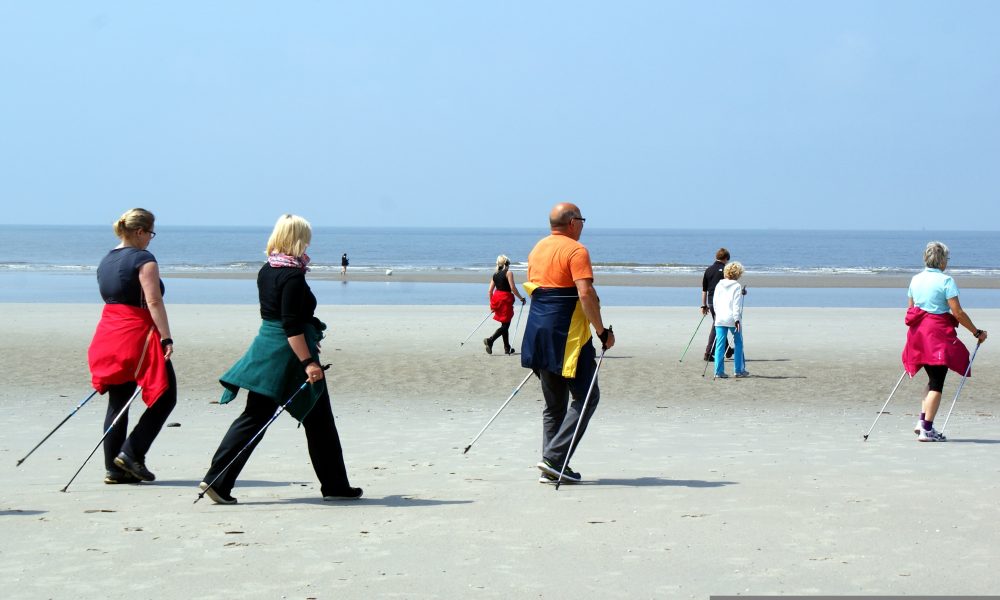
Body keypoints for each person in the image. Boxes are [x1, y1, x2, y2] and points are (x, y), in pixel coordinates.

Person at [199, 214, 361, 504]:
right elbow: (290, 325)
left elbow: (285, 318)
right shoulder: (292, 276)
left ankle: (335, 485)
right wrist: (308, 362)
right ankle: (217, 480)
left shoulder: (268, 269)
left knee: (297, 418)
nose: (309, 242)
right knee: (267, 418)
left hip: (268, 348)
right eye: (306, 237)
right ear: (297, 238)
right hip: (285, 356)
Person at [521, 202, 615, 484]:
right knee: (587, 396)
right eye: (582, 219)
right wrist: (601, 332)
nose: (584, 225)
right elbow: (584, 294)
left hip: (538, 332)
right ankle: (555, 459)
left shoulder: (538, 248)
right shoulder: (576, 250)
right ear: (573, 222)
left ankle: (551, 465)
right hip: (567, 335)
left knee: (554, 405)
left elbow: (549, 287)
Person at [88, 208, 177, 484]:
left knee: (119, 401)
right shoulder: (143, 259)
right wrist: (166, 337)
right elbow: (153, 301)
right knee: (166, 395)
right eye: (150, 233)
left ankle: (114, 469)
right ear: (139, 232)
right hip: (137, 335)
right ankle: (131, 453)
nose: (151, 239)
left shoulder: (106, 260)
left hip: (109, 333)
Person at [903, 241, 987, 442]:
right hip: (936, 335)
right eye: (947, 259)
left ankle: (922, 422)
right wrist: (976, 333)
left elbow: (912, 309)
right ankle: (927, 430)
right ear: (941, 260)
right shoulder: (946, 281)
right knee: (937, 383)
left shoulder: (915, 279)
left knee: (932, 379)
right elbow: (957, 312)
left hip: (917, 336)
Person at [712, 261, 748, 379]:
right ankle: (738, 370)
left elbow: (715, 302)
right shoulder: (736, 286)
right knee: (738, 343)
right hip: (732, 319)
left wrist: (717, 315)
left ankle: (718, 371)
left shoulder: (719, 284)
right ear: (737, 274)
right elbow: (736, 305)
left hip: (720, 318)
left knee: (720, 345)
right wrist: (737, 319)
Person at [484, 254, 526, 355]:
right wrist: (521, 298)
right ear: (506, 264)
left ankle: (507, 348)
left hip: (497, 299)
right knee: (506, 325)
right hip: (505, 300)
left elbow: (490, 291)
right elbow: (513, 288)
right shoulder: (509, 273)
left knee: (504, 324)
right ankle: (490, 340)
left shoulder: (495, 275)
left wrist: (492, 305)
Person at [701, 248, 733, 362]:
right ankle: (708, 352)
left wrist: (703, 305)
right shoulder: (725, 270)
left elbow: (704, 290)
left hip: (710, 302)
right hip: (721, 302)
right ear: (726, 258)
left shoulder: (708, 270)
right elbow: (730, 287)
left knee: (719, 324)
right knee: (717, 325)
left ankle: (728, 350)